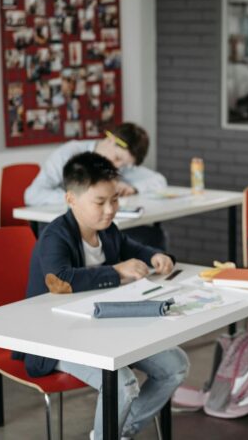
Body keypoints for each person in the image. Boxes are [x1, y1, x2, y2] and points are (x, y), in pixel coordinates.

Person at [14, 152, 189, 440]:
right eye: (100, 202)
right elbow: (61, 281)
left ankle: (114, 433)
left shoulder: (107, 230)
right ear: (71, 199)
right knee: (122, 384)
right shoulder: (54, 236)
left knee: (176, 366)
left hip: (103, 330)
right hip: (55, 338)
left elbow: (133, 247)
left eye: (115, 200)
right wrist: (117, 270)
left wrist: (157, 255)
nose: (110, 209)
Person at [25, 122, 167, 248]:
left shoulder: (120, 166)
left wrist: (133, 188)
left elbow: (159, 180)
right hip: (64, 225)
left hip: (100, 224)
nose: (116, 167)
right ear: (111, 139)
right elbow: (32, 195)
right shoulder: (69, 153)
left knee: (154, 237)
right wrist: (83, 198)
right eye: (117, 158)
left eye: (123, 165)